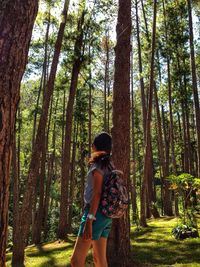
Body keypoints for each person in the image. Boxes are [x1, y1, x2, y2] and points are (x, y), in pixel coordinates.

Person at [70, 132, 113, 267]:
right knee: (99, 261)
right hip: (106, 215)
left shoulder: (98, 165)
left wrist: (90, 219)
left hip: (95, 214)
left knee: (76, 261)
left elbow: (97, 193)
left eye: (92, 145)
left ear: (95, 146)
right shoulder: (110, 165)